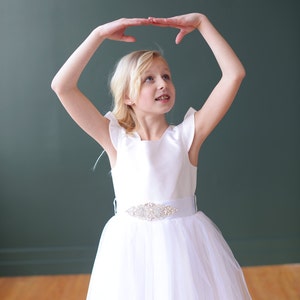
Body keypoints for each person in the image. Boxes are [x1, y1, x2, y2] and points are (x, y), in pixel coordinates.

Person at [51, 13, 251, 300]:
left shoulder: (188, 136)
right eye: (149, 78)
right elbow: (62, 86)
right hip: (127, 253)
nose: (162, 84)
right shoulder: (115, 139)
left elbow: (234, 75)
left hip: (184, 251)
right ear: (128, 97)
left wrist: (202, 23)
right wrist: (97, 35)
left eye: (166, 76)